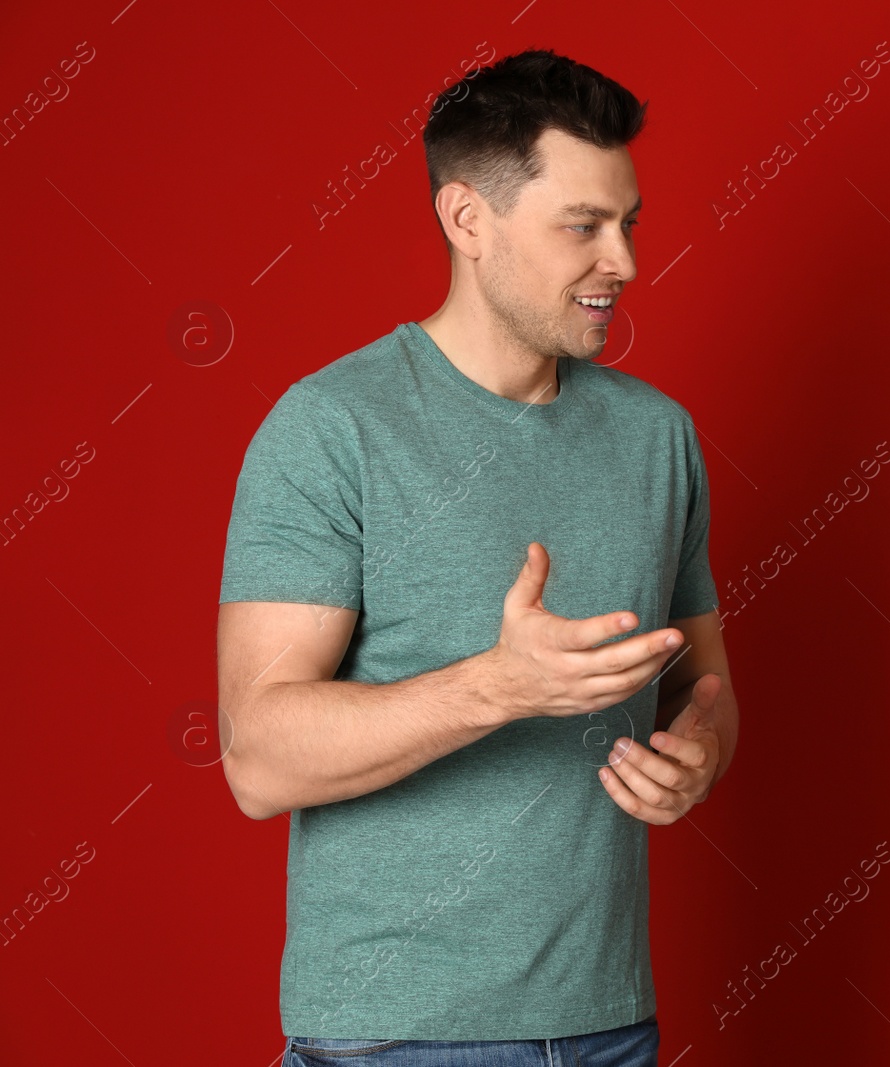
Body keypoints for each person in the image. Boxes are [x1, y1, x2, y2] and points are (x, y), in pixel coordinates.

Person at [215, 48, 738, 1067]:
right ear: (467, 220)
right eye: (582, 226)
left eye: (626, 223)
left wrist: (703, 745)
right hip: (392, 1033)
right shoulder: (331, 426)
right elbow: (258, 757)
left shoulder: (658, 436)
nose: (623, 260)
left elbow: (703, 680)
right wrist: (499, 685)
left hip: (609, 1023)